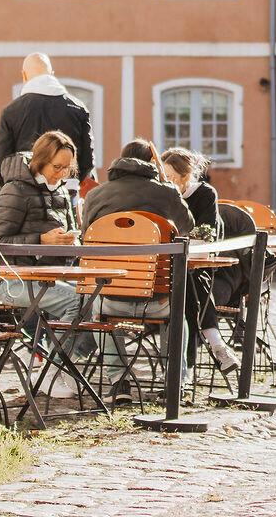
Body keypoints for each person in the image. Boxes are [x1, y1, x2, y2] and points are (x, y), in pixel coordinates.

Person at [81, 139, 199, 399]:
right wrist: (168, 187)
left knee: (97, 310)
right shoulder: (167, 193)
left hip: (111, 299)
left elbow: (84, 238)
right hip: (157, 300)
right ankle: (174, 383)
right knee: (178, 315)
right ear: (153, 163)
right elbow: (188, 227)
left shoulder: (95, 195)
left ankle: (118, 381)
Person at [0, 131, 86, 371]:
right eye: (57, 167)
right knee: (78, 301)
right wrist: (41, 240)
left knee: (99, 300)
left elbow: (70, 229)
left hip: (54, 275)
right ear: (40, 161)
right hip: (14, 280)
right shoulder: (14, 190)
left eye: (67, 168)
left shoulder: (62, 190)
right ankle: (55, 370)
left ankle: (62, 363)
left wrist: (71, 240)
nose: (62, 173)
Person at [159, 147, 243, 373]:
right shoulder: (164, 194)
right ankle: (216, 346)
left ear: (186, 176)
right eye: (164, 178)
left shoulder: (205, 194)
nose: (168, 182)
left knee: (190, 284)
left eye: (172, 178)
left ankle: (181, 372)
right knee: (186, 284)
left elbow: (207, 234)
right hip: (170, 267)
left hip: (202, 265)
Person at [0, 53, 95, 184]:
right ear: (51, 74)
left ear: (24, 75)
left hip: (24, 195)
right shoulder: (78, 108)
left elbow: (0, 163)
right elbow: (87, 161)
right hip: (66, 192)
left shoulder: (11, 111)